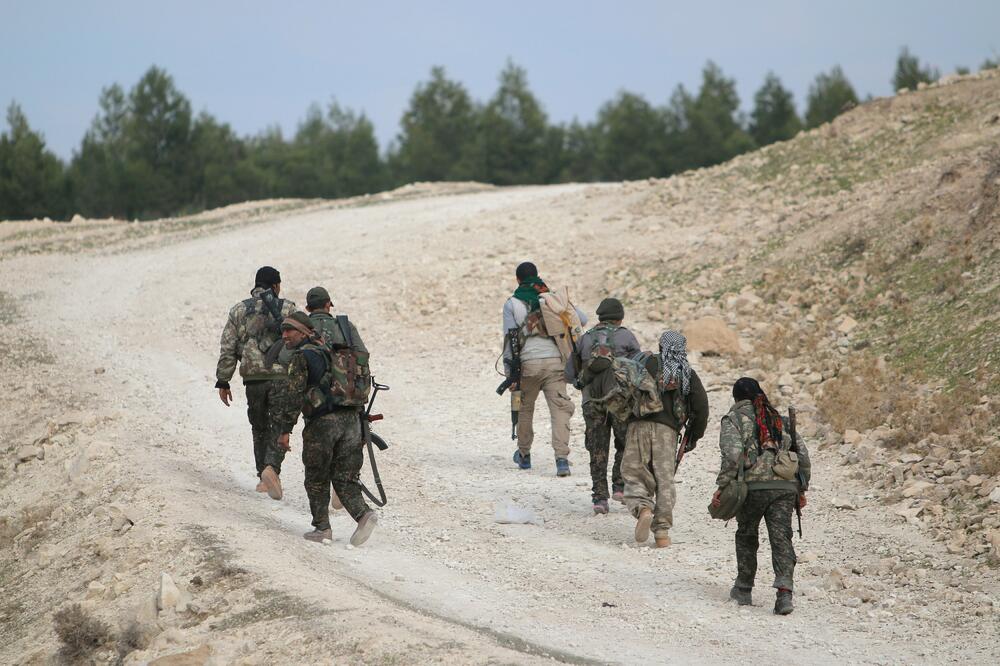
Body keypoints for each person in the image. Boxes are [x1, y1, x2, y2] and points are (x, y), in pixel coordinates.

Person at [272, 312, 378, 545]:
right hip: (351, 421)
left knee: (316, 477)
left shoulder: (303, 356)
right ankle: (364, 515)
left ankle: (322, 529)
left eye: (289, 330)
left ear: (304, 331)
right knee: (345, 476)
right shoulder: (334, 352)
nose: (285, 335)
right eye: (283, 330)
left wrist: (284, 430)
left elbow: (293, 396)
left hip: (322, 425)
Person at [713, 377, 811, 615]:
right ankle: (784, 593)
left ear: (736, 398)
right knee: (782, 538)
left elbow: (733, 456)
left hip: (752, 488)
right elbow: (803, 457)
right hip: (784, 488)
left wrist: (722, 486)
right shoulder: (781, 420)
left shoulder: (734, 419)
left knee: (747, 535)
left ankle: (744, 588)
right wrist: (802, 488)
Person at [215, 266, 298, 500]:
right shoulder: (288, 308)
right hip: (281, 377)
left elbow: (228, 347)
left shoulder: (239, 310)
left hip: (253, 380)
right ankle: (272, 469)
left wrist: (223, 380)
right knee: (279, 426)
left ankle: (263, 476)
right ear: (276, 285)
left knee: (259, 427)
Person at [623, 331, 708, 547]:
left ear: (661, 346)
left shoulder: (646, 364)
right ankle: (662, 533)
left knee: (634, 472)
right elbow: (701, 407)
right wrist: (693, 437)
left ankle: (643, 508)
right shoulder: (687, 374)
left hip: (637, 426)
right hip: (667, 432)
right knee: (664, 479)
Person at [502, 261, 587, 477]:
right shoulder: (551, 297)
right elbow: (582, 319)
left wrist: (510, 374)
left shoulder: (513, 304)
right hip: (556, 363)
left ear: (518, 280)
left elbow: (510, 340)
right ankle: (561, 460)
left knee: (524, 408)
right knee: (560, 409)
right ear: (537, 277)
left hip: (527, 365)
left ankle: (524, 455)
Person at [565, 297, 640, 514]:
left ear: (599, 316)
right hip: (620, 401)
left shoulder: (585, 339)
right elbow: (638, 369)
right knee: (624, 443)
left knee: (597, 449)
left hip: (592, 402)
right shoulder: (626, 336)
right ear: (620, 317)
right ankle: (619, 486)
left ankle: (600, 499)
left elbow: (570, 374)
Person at [304, 286, 367, 512]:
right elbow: (362, 358)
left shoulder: (304, 328)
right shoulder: (345, 326)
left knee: (317, 466)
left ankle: (322, 526)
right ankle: (346, 496)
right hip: (349, 404)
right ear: (329, 304)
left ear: (308, 308)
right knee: (346, 458)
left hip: (317, 406)